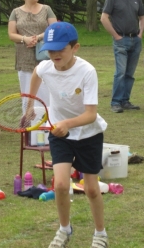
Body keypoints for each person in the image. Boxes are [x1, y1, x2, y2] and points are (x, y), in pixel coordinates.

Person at [27, 22, 108, 248]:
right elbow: (36, 73)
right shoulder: (46, 67)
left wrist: (67, 123)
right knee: (61, 185)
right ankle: (64, 229)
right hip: (60, 134)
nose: (54, 54)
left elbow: (91, 114)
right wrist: (31, 103)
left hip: (88, 134)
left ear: (75, 48)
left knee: (91, 189)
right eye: (50, 49)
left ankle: (100, 234)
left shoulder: (87, 71)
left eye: (60, 49)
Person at [101, 0, 144, 113]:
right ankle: (115, 102)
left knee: (129, 73)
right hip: (121, 39)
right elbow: (104, 18)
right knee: (120, 72)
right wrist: (116, 35)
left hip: (135, 40)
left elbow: (142, 17)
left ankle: (125, 101)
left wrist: (140, 34)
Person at [8, 0, 57, 107]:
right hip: (24, 57)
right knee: (27, 92)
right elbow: (11, 34)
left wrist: (38, 37)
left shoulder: (46, 9)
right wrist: (25, 39)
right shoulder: (16, 12)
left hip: (45, 55)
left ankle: (49, 122)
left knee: (47, 92)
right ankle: (29, 122)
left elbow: (55, 28)